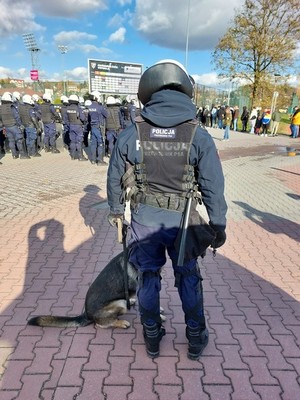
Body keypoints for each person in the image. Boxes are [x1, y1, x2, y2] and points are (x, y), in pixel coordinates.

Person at [106, 59, 227, 360]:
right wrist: (219, 223)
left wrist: (116, 211)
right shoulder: (198, 135)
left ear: (148, 90)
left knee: (147, 276)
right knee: (188, 277)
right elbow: (213, 184)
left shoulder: (131, 133)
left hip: (145, 221)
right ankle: (196, 338)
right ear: (184, 90)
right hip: (183, 223)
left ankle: (151, 336)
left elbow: (113, 177)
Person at [0, 92, 29, 159]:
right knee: (19, 140)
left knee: (11, 141)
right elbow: (17, 117)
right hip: (14, 126)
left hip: (6, 127)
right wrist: (20, 125)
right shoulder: (11, 107)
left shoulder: (1, 108)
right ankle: (22, 154)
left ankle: (14, 155)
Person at [66, 94, 88, 161]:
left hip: (71, 125)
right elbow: (83, 118)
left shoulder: (68, 108)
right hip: (78, 126)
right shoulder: (78, 108)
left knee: (72, 141)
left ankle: (72, 156)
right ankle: (80, 156)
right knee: (79, 141)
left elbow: (65, 118)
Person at [88, 91, 108, 165]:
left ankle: (93, 160)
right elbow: (106, 115)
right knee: (100, 143)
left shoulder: (90, 107)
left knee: (93, 143)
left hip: (93, 127)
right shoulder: (100, 107)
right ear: (96, 97)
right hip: (99, 127)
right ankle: (100, 160)